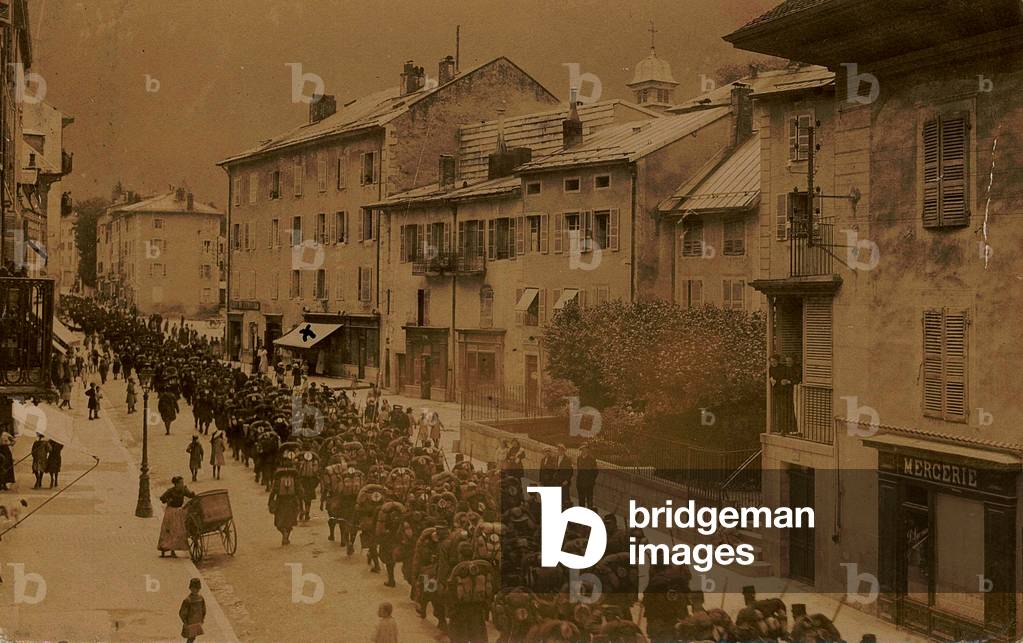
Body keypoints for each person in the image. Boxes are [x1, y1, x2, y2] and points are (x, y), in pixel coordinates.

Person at [158, 476, 196, 557]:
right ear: (176, 484)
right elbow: (162, 498)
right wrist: (168, 500)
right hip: (171, 512)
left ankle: (173, 551)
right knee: (169, 530)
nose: (182, 484)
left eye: (183, 483)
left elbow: (189, 495)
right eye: (181, 483)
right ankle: (164, 550)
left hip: (178, 512)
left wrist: (193, 494)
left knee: (177, 531)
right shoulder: (170, 491)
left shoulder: (183, 490)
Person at [179, 577, 207, 643]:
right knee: (190, 638)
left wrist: (202, 619)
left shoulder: (201, 598)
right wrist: (185, 622)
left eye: (197, 588)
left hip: (197, 621)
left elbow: (203, 609)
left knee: (193, 637)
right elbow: (182, 613)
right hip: (190, 622)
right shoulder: (187, 600)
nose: (196, 590)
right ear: (190, 588)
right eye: (194, 588)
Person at [576, 443, 599, 509]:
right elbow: (579, 470)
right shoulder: (579, 458)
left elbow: (595, 472)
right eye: (582, 450)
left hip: (588, 483)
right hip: (580, 482)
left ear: (587, 450)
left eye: (584, 449)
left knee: (589, 499)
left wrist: (591, 481)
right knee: (581, 499)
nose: (583, 451)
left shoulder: (591, 459)